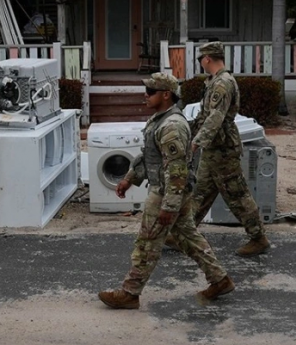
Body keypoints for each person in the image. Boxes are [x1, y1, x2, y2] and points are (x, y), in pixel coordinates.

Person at [98, 72, 234, 309]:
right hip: (171, 191)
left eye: (150, 92)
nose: (146, 96)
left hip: (166, 192)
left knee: (147, 243)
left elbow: (177, 170)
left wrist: (169, 206)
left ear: (166, 94)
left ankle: (130, 293)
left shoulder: (171, 125)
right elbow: (150, 156)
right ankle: (220, 279)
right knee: (188, 238)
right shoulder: (160, 119)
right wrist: (130, 178)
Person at [187, 42, 271, 257]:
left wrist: (198, 140)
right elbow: (205, 116)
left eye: (200, 59)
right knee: (201, 192)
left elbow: (215, 118)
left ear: (207, 59)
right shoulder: (215, 81)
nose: (200, 63)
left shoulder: (222, 83)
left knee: (237, 194)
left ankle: (258, 237)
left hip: (223, 148)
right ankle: (184, 233)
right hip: (214, 147)